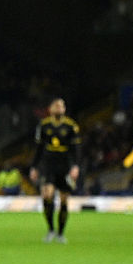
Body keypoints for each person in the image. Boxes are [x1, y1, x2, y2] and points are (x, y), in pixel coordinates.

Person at [29, 98, 80, 243]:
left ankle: (61, 233)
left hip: (64, 166)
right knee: (47, 195)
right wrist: (34, 167)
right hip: (48, 166)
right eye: (56, 106)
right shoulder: (44, 125)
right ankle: (51, 229)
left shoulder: (71, 126)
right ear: (50, 109)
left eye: (62, 106)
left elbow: (76, 149)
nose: (59, 108)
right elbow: (38, 149)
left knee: (64, 200)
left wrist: (75, 166)